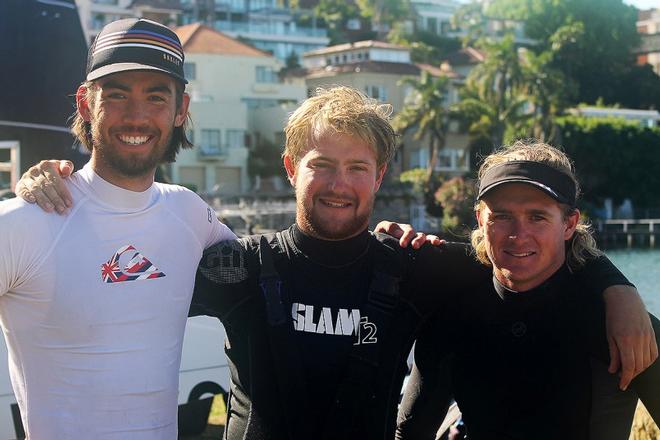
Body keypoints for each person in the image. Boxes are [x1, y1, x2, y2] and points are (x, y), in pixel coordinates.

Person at [17, 90, 655, 439]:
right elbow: (114, 268)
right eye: (321, 164)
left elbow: (523, 268)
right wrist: (63, 195)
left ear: (379, 177)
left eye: (357, 168)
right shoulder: (237, 265)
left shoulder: (416, 268)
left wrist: (615, 284)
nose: (338, 184)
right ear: (293, 170)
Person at [0, 18, 237, 438]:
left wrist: (389, 237)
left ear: (181, 110)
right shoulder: (26, 221)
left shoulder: (189, 212)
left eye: (156, 97)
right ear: (86, 104)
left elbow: (284, 263)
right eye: (117, 95)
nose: (137, 116)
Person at [395, 141, 660, 440]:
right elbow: (410, 433)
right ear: (481, 219)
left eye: (537, 217)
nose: (518, 235)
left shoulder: (622, 323)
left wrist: (620, 288)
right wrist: (386, 245)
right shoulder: (452, 315)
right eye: (502, 216)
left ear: (569, 224)